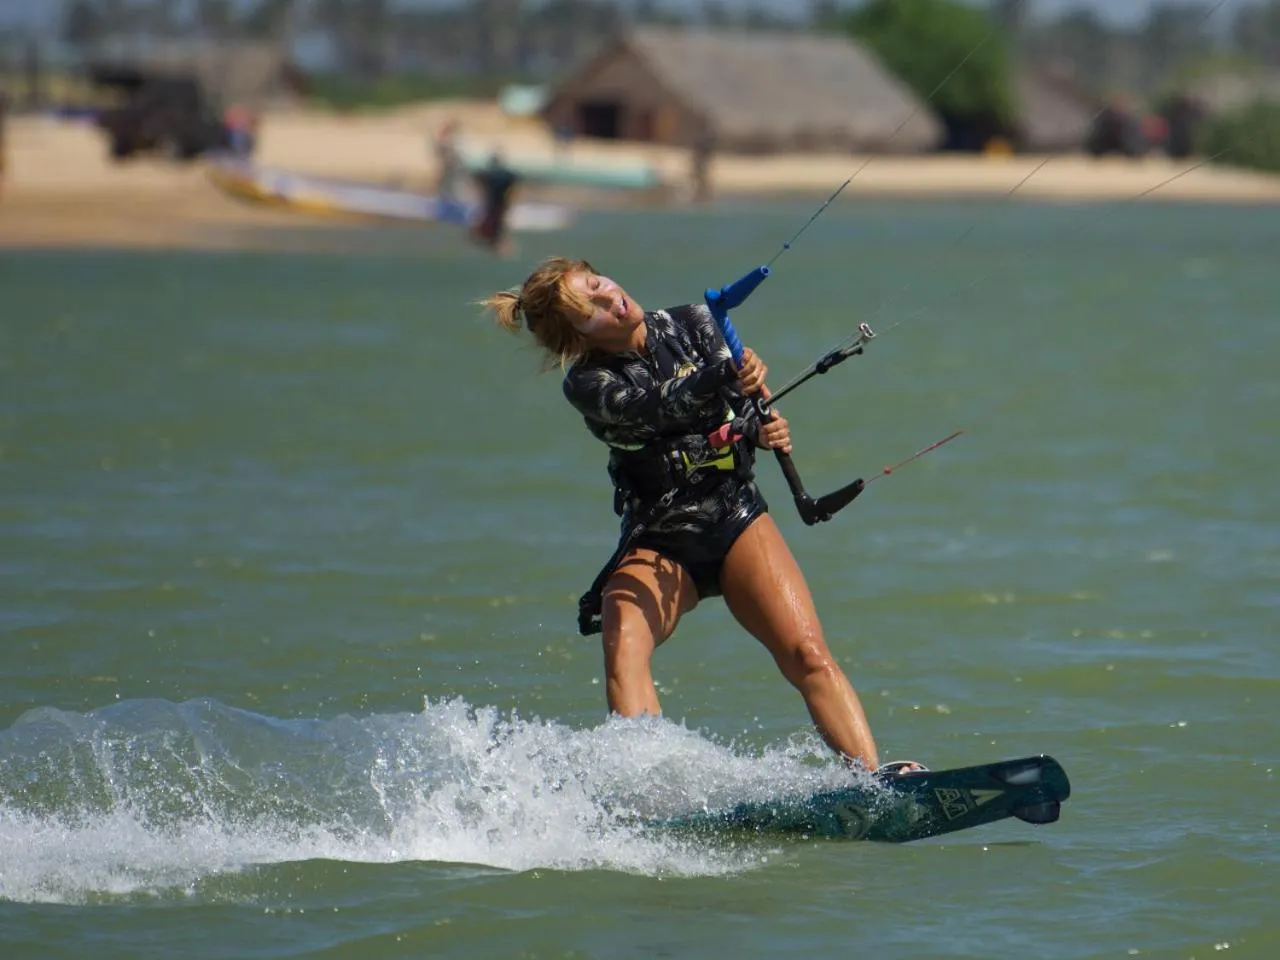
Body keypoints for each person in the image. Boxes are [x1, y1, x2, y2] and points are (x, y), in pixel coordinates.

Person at [481, 257, 921, 776]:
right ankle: (649, 794)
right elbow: (655, 409)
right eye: (591, 310)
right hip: (662, 538)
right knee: (622, 644)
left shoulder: (694, 321)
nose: (610, 299)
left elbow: (738, 406)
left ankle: (872, 781)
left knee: (807, 652)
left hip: (735, 517)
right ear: (577, 337)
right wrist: (722, 373)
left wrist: (758, 424)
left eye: (600, 285)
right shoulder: (587, 383)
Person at [469, 150, 519, 256]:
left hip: (494, 204)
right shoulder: (505, 175)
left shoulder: (489, 175)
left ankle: (498, 244)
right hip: (499, 204)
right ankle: (499, 245)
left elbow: (478, 179)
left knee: (494, 224)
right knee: (497, 225)